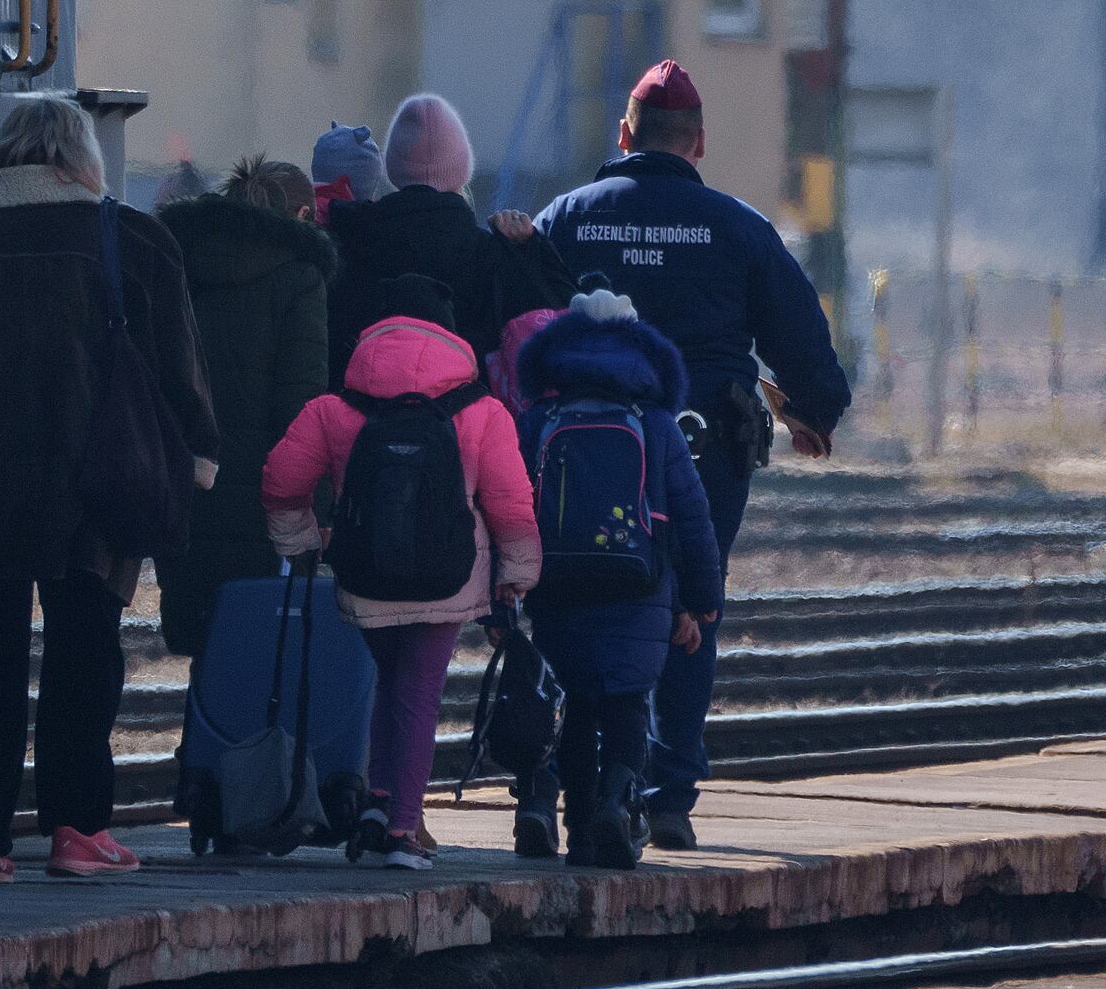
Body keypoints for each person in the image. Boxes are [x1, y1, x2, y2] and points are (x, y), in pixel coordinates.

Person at [0, 91, 217, 883]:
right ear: (82, 160)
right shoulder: (133, 238)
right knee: (85, 648)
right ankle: (77, 830)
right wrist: (199, 454)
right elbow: (178, 372)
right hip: (96, 481)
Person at [530, 61, 851, 847]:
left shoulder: (565, 218)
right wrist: (812, 410)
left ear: (624, 135)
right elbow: (804, 338)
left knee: (577, 591)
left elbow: (513, 323)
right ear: (699, 142)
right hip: (705, 446)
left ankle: (578, 779)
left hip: (581, 453)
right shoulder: (738, 227)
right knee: (692, 604)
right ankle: (668, 793)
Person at [258, 302, 541, 867]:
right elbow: (510, 502)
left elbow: (281, 480)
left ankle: (380, 802)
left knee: (389, 683)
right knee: (418, 695)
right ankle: (403, 829)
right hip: (448, 580)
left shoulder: (333, 410)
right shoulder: (482, 411)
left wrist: (302, 540)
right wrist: (518, 572)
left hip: (365, 575)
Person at [505, 288, 727, 866]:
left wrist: (506, 584)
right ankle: (618, 800)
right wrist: (701, 598)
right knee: (626, 700)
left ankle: (580, 825)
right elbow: (693, 517)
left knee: (576, 702)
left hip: (558, 584)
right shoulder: (656, 423)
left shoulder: (539, 419)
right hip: (640, 587)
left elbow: (510, 504)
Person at [157, 155, 341, 661]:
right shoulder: (300, 278)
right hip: (259, 500)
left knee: (198, 639)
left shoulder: (175, 259)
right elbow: (301, 409)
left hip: (186, 482)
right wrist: (314, 508)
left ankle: (199, 717)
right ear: (302, 216)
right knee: (252, 649)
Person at [326, 92, 561, 355]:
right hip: (471, 381)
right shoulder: (490, 255)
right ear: (462, 169)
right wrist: (530, 248)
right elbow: (561, 321)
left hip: (363, 379)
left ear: (392, 165)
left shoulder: (348, 238)